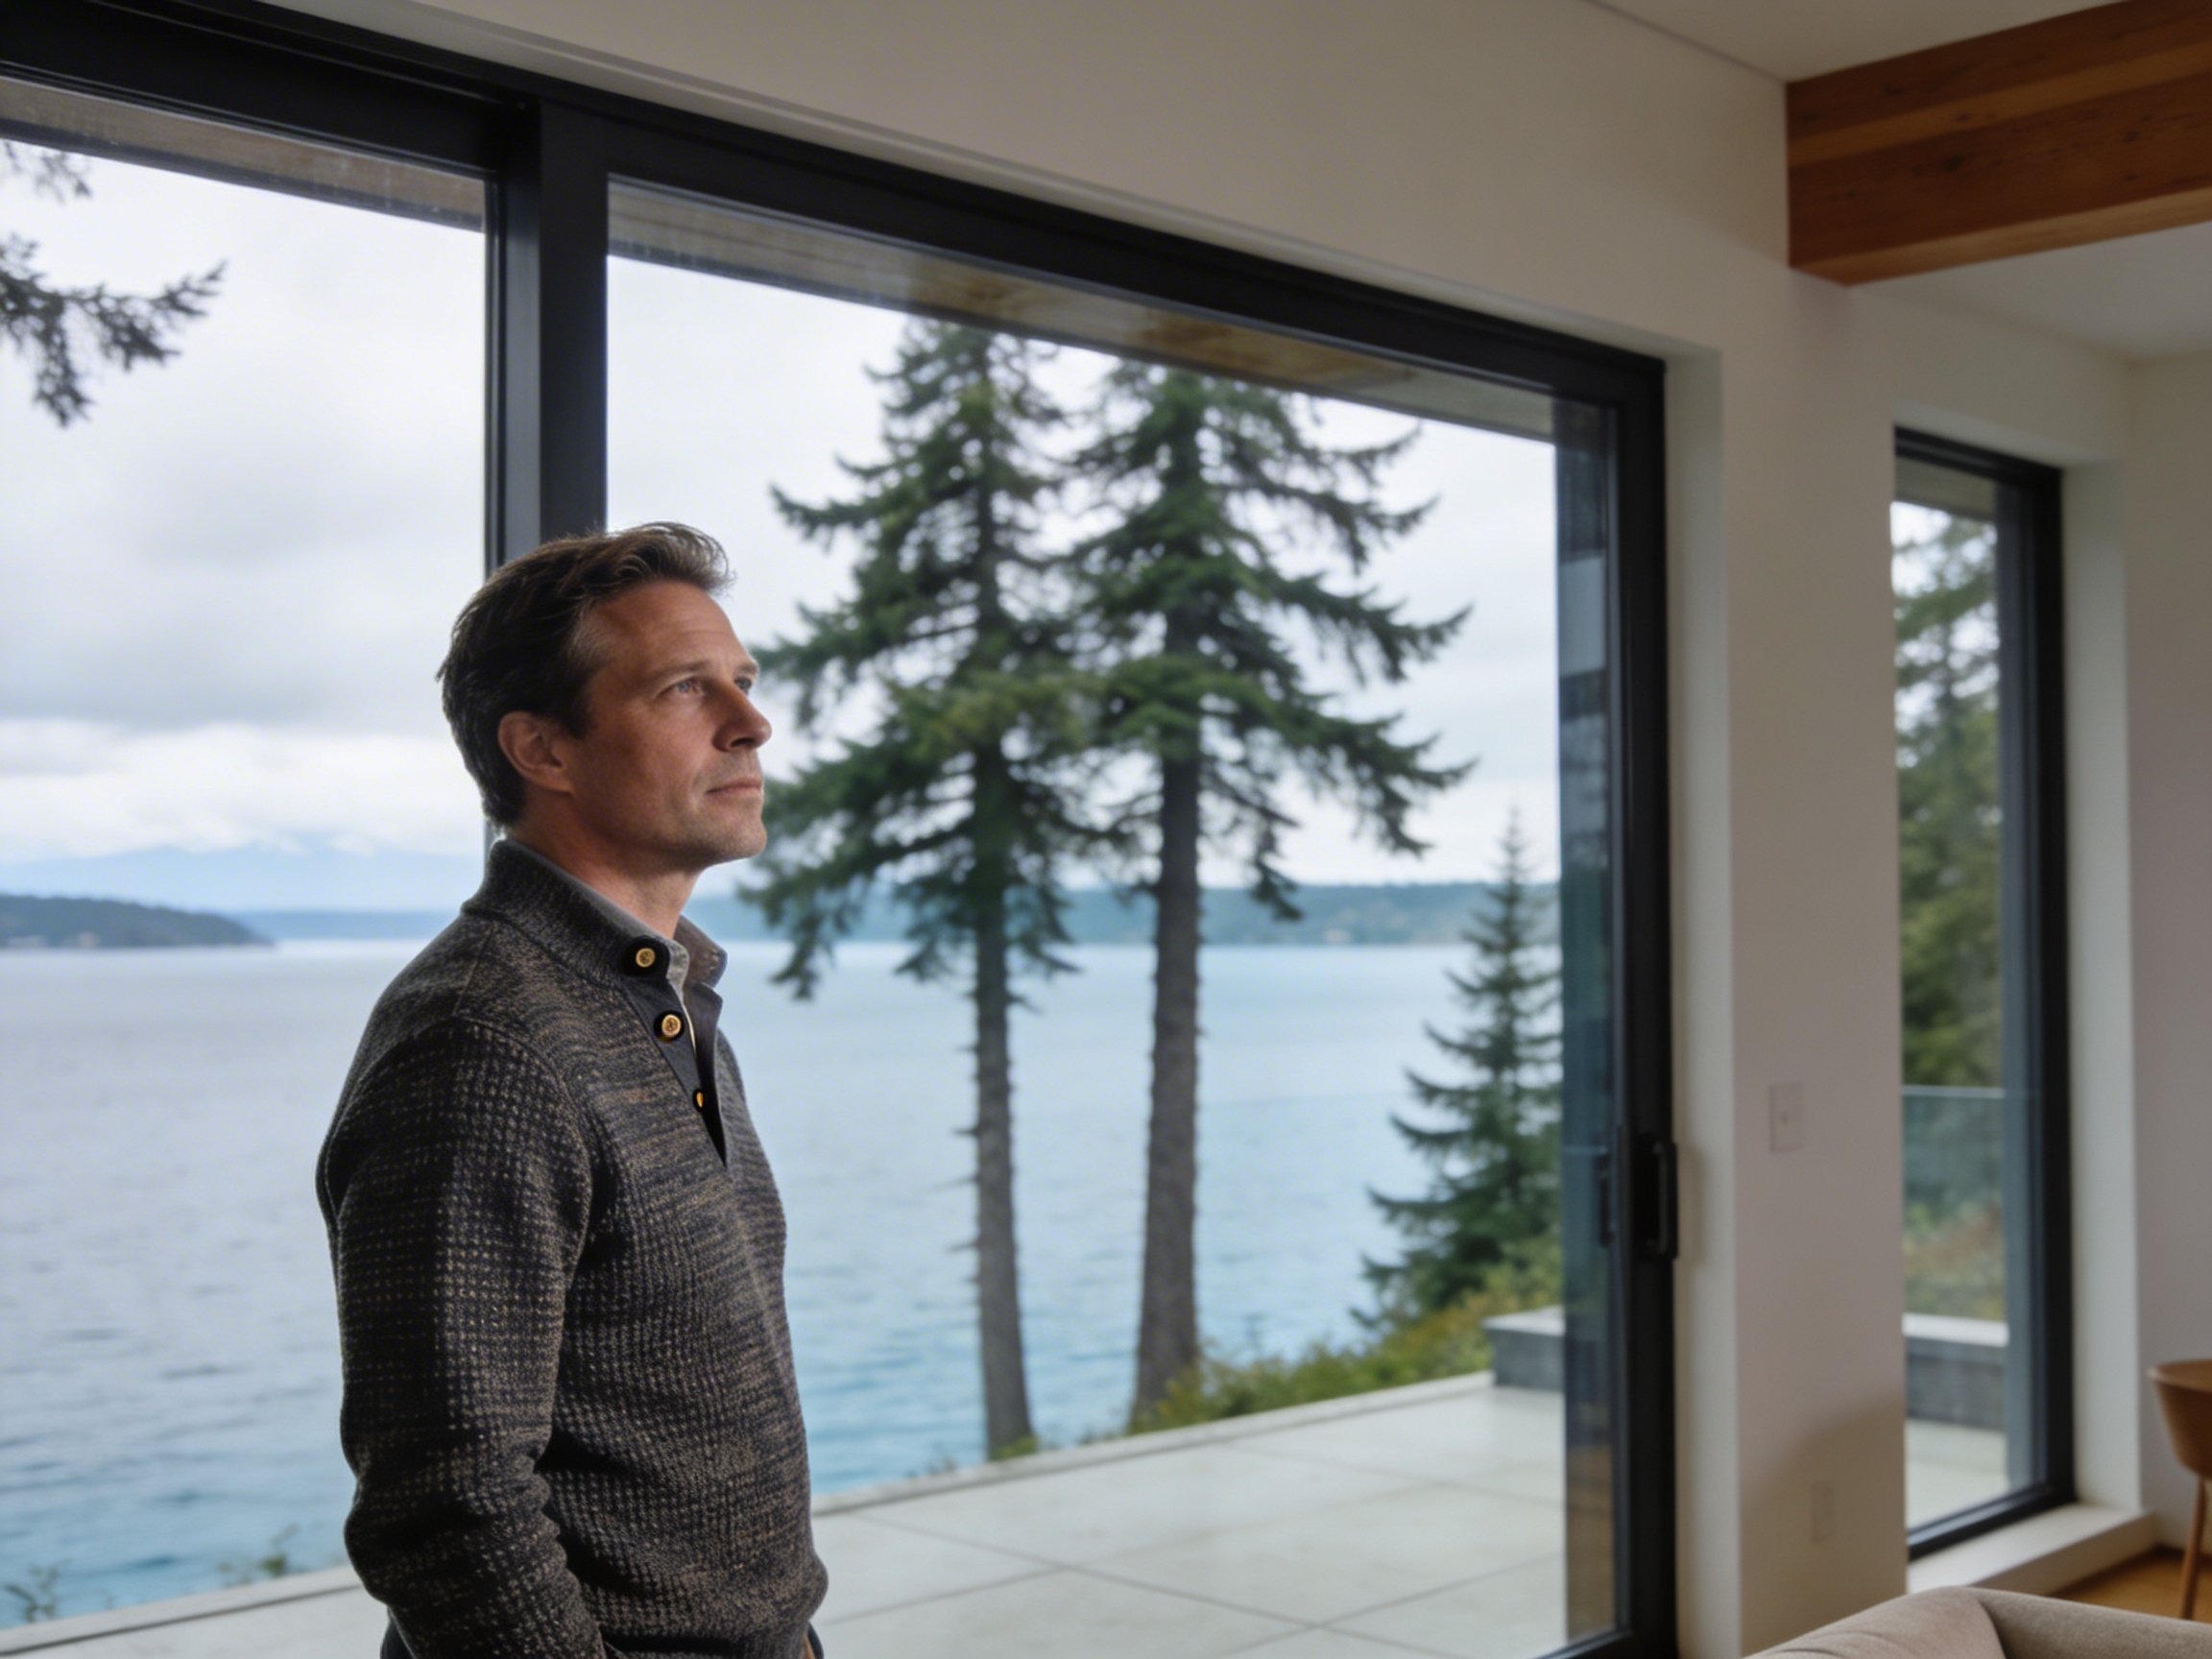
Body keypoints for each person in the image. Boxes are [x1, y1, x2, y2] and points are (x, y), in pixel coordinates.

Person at [317, 523, 827, 1659]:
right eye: (684, 688)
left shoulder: (663, 992)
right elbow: (445, 1505)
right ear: (542, 749)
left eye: (742, 683)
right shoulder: (480, 1044)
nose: (750, 724)